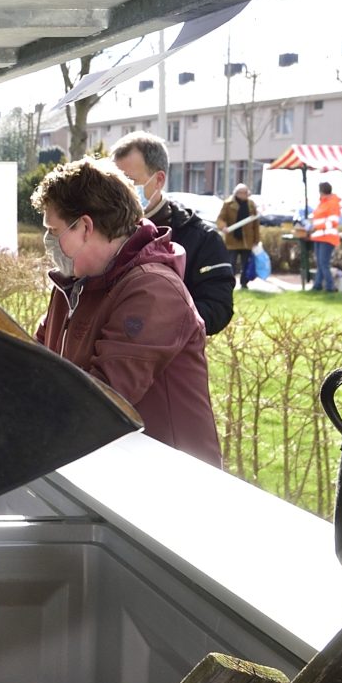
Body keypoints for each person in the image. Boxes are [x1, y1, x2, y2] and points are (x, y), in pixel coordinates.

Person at [31, 157, 221, 465]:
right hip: (107, 470)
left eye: (54, 230)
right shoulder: (72, 285)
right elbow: (35, 363)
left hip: (167, 485)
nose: (49, 242)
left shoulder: (153, 290)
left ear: (85, 226)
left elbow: (101, 400)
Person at [110, 132, 234, 335]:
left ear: (158, 180)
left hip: (169, 360)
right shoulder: (102, 231)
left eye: (129, 183)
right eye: (113, 184)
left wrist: (155, 323)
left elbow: (217, 308)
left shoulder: (201, 239)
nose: (118, 194)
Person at [216, 184, 261, 291]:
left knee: (246, 263)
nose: (245, 195)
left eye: (246, 193)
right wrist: (223, 227)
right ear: (237, 193)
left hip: (247, 239)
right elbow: (220, 219)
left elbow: (255, 223)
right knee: (231, 263)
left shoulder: (251, 204)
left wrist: (256, 239)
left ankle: (244, 283)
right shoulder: (228, 204)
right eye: (242, 193)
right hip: (233, 239)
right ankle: (230, 283)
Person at [308, 180, 342, 293]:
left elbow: (333, 221)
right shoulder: (323, 202)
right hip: (319, 236)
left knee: (323, 263)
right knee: (320, 263)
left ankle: (330, 286)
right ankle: (317, 285)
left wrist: (317, 226)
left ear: (321, 191)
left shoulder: (332, 203)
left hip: (327, 236)